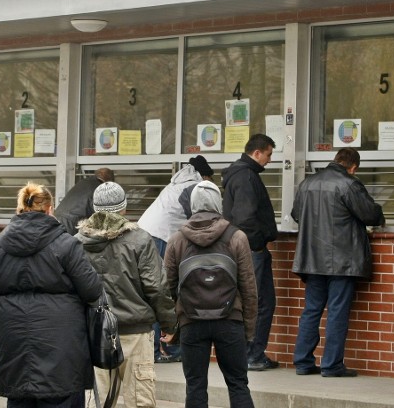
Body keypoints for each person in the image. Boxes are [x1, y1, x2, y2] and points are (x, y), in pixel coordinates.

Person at [0, 183, 103, 408]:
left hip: (14, 347)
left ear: (20, 209)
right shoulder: (66, 244)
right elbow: (92, 290)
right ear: (50, 209)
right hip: (62, 351)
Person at [76, 181, 177, 407]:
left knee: (96, 400)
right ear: (124, 208)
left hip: (93, 333)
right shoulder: (140, 240)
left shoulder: (76, 243)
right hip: (136, 333)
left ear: (94, 208)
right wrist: (169, 325)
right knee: (140, 401)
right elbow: (157, 288)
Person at [290, 147, 385, 378]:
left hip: (312, 258)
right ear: (353, 167)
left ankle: (303, 362)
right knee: (336, 312)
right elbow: (370, 215)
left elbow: (295, 214)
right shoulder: (349, 184)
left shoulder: (307, 184)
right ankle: (332, 365)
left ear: (336, 160)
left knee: (311, 310)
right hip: (342, 261)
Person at [164, 180, 258, 408]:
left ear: (192, 205)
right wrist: (248, 328)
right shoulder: (237, 237)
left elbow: (166, 287)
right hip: (230, 320)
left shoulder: (177, 239)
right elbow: (248, 287)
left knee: (195, 385)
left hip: (191, 321)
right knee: (238, 383)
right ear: (219, 203)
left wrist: (172, 326)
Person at [139, 155, 213, 363]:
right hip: (160, 237)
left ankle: (158, 349)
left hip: (146, 234)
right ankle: (160, 351)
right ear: (204, 175)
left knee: (152, 291)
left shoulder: (177, 183)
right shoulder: (195, 186)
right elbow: (200, 219)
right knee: (160, 292)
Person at [221, 133, 279, 371]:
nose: (269, 160)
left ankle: (249, 353)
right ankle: (252, 354)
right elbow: (245, 218)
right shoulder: (246, 176)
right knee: (259, 303)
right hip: (251, 249)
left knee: (252, 302)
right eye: (268, 154)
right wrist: (256, 244)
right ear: (257, 153)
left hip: (242, 247)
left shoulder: (241, 174)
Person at [55, 167, 115, 235]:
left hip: (57, 217)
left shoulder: (84, 182)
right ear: (109, 181)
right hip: (72, 223)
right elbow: (100, 215)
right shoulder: (99, 189)